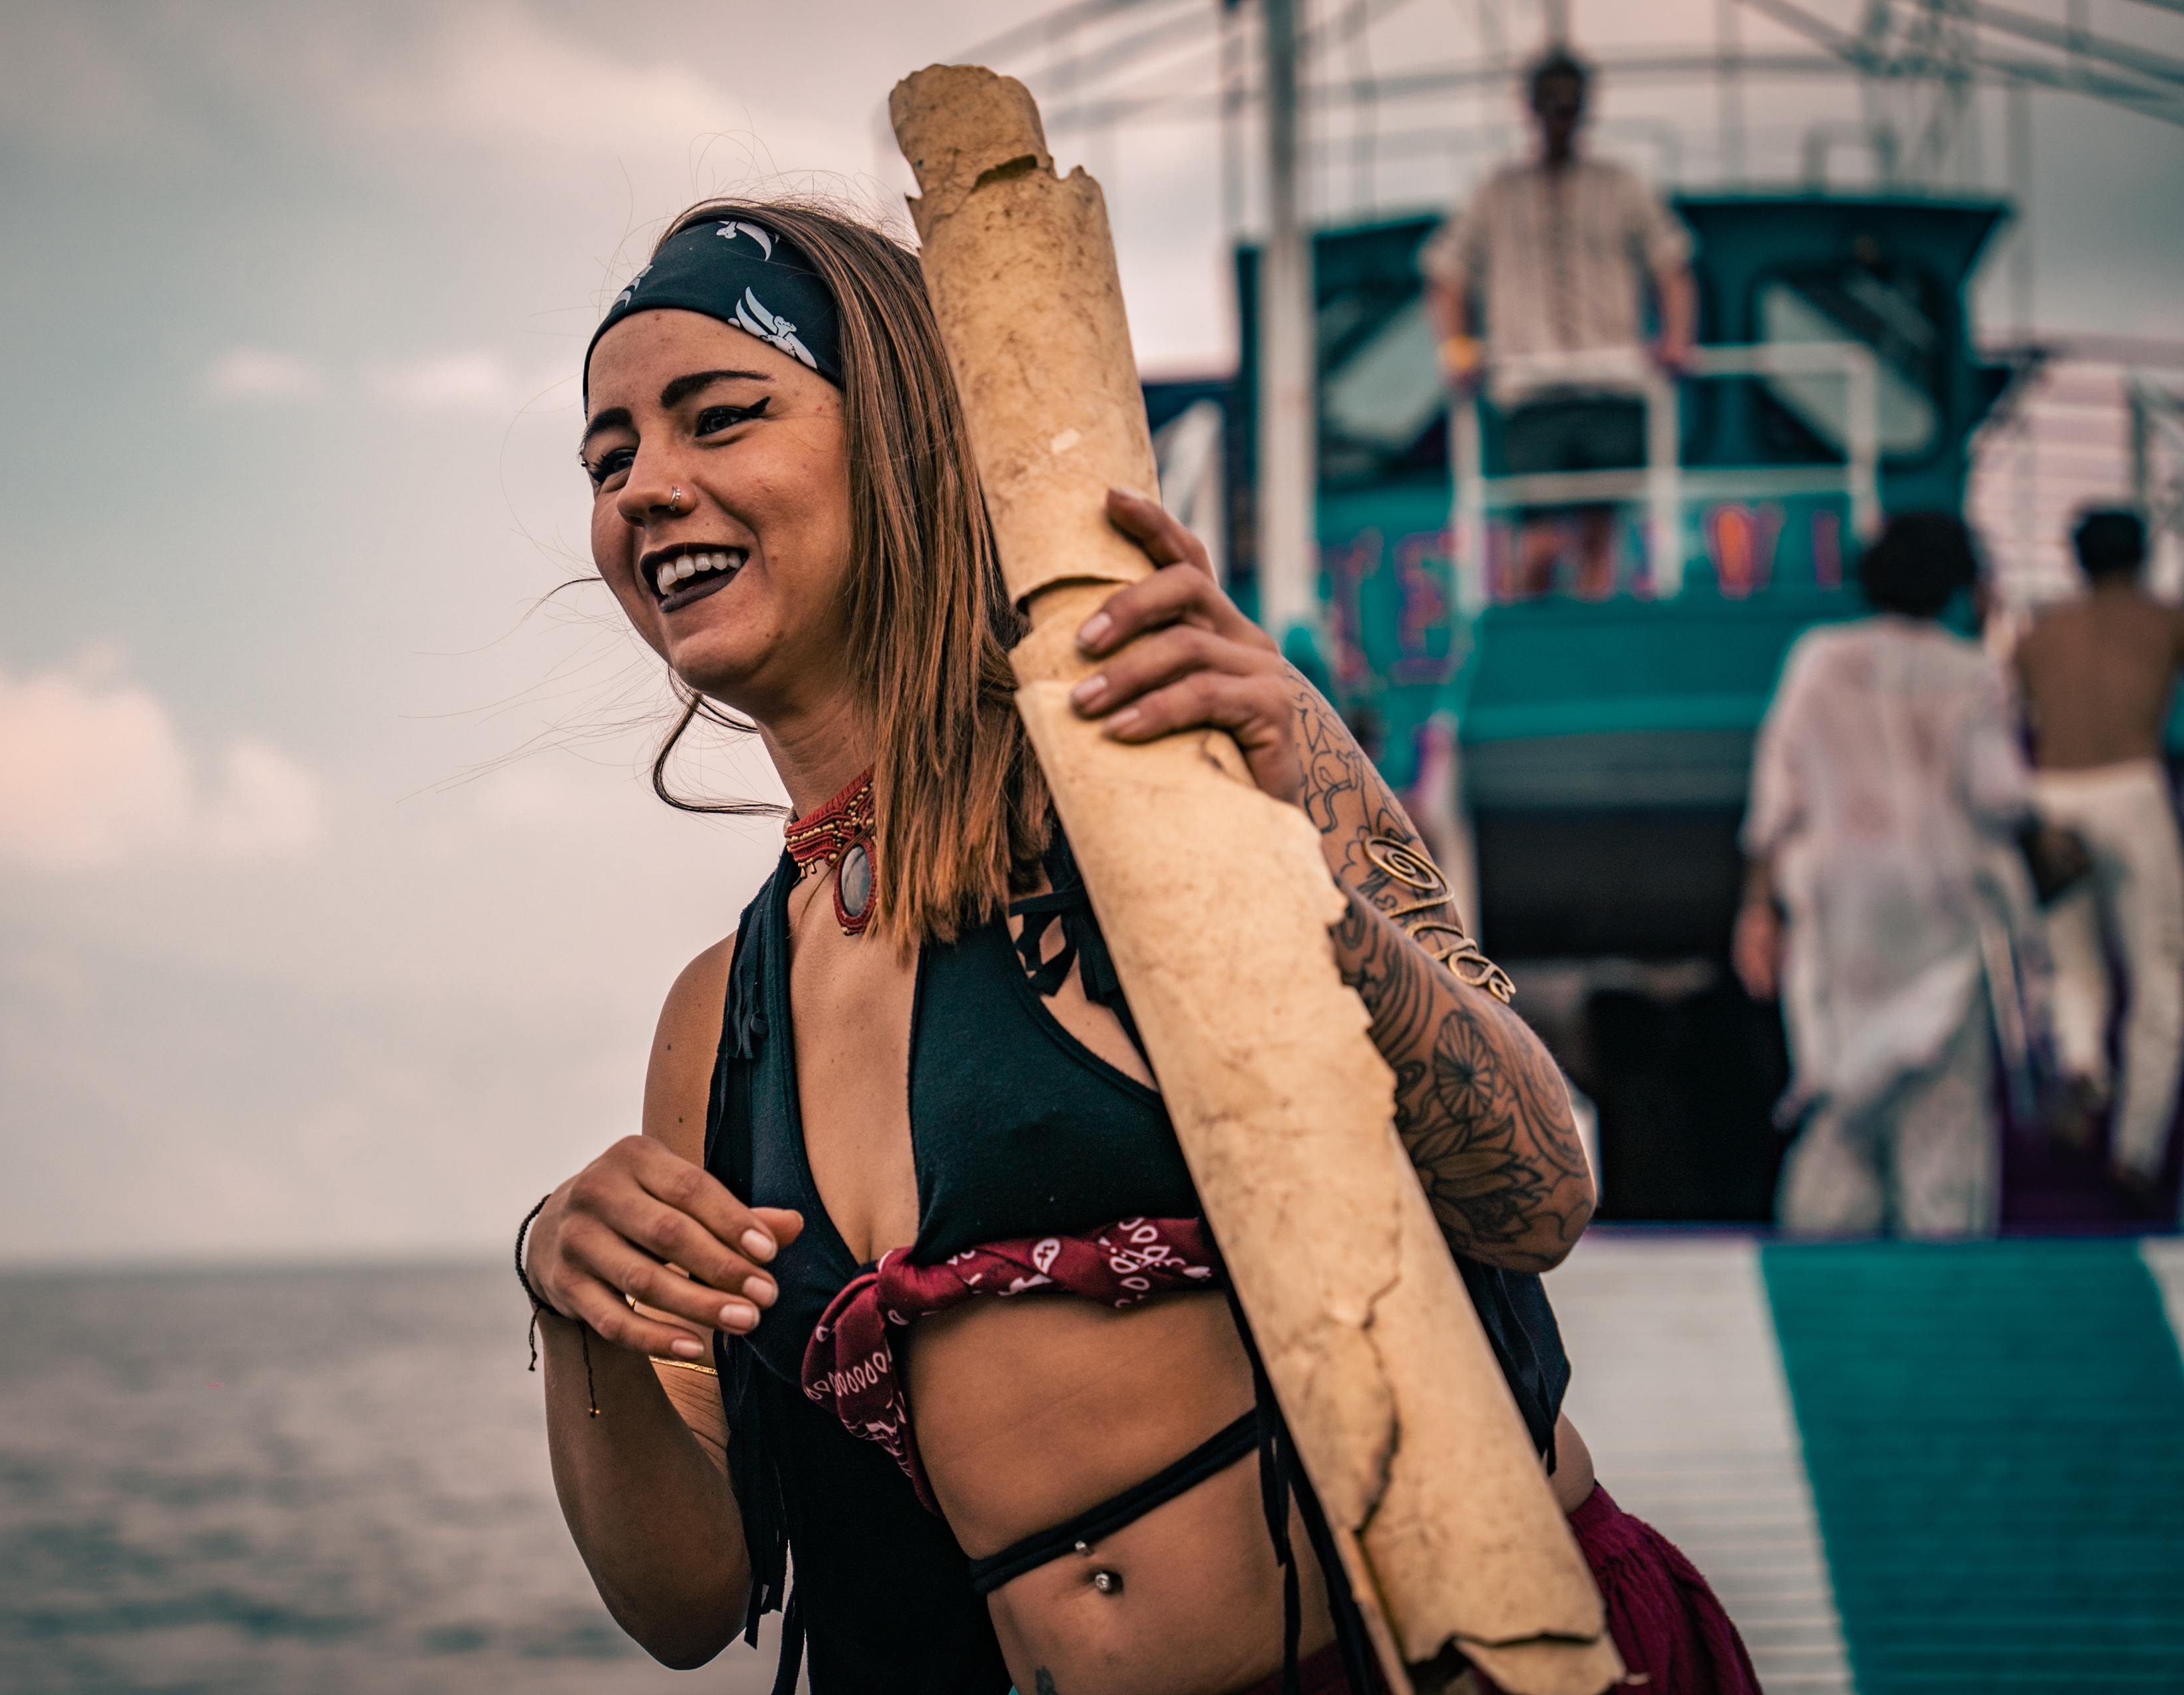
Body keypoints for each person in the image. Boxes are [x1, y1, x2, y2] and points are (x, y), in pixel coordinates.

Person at [523, 197, 1758, 1695]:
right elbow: (685, 1600)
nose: (648, 487)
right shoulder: (722, 1020)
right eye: (607, 458)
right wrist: (567, 1295)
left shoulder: (1186, 761)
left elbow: (1534, 1187)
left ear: (908, 438)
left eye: (719, 418)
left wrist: (1277, 876)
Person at [1735, 514, 2046, 1237]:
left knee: (1840, 1097)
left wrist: (1758, 909)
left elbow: (1777, 795)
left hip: (1840, 912)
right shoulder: (1973, 672)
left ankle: (1822, 1258)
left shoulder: (1818, 657)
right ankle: (1940, 1278)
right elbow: (2000, 794)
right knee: (1943, 1110)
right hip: (1940, 912)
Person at [1420, 48, 1697, 601]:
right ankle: (1528, 631)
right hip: (1533, 391)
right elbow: (1446, 273)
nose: (1560, 118)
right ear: (1531, 110)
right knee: (1540, 542)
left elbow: (1673, 265)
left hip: (1610, 383)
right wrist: (1456, 350)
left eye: (1569, 106)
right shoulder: (1497, 192)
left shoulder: (1621, 185)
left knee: (1600, 536)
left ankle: (1589, 640)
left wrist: (1676, 341)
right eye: (1550, 106)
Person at [2013, 508, 2184, 1204]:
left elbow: (2014, 713)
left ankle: (2083, 1059)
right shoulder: (2166, 621)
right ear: (2143, 555)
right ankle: (2138, 1150)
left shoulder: (2039, 632)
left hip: (2052, 795)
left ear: (2074, 559)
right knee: (2161, 973)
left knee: (2072, 962)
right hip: (2130, 789)